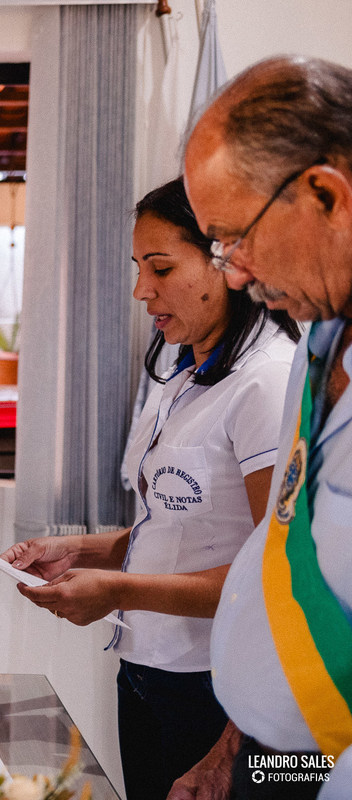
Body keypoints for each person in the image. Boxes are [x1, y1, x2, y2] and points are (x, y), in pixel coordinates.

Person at [0, 176, 299, 800]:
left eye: (160, 268)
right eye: (140, 267)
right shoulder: (184, 373)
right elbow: (182, 528)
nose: (142, 290)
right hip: (146, 674)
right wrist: (82, 552)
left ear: (228, 264)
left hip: (218, 695)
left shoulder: (266, 385)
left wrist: (117, 589)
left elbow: (274, 576)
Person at [182, 55, 352, 799]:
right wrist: (233, 750)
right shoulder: (319, 343)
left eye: (234, 238)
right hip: (277, 759)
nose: (235, 273)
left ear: (325, 195)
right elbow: (283, 554)